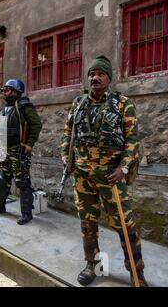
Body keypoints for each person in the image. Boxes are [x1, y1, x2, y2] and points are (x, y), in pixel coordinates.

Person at [61, 55, 148, 287]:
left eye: (100, 74)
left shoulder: (123, 104)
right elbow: (68, 133)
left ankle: (136, 272)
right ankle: (92, 265)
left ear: (109, 77)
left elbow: (132, 140)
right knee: (87, 222)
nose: (95, 78)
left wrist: (124, 167)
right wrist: (64, 156)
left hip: (111, 176)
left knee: (124, 224)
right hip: (83, 175)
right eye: (92, 74)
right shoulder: (78, 103)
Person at [0, 79, 42, 225]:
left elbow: (36, 124)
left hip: (18, 150)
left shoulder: (24, 106)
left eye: (7, 90)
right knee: (3, 179)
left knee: (21, 181)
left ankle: (26, 214)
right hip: (5, 149)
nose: (4, 92)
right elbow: (8, 126)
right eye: (3, 90)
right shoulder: (5, 108)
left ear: (15, 91)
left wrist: (29, 144)